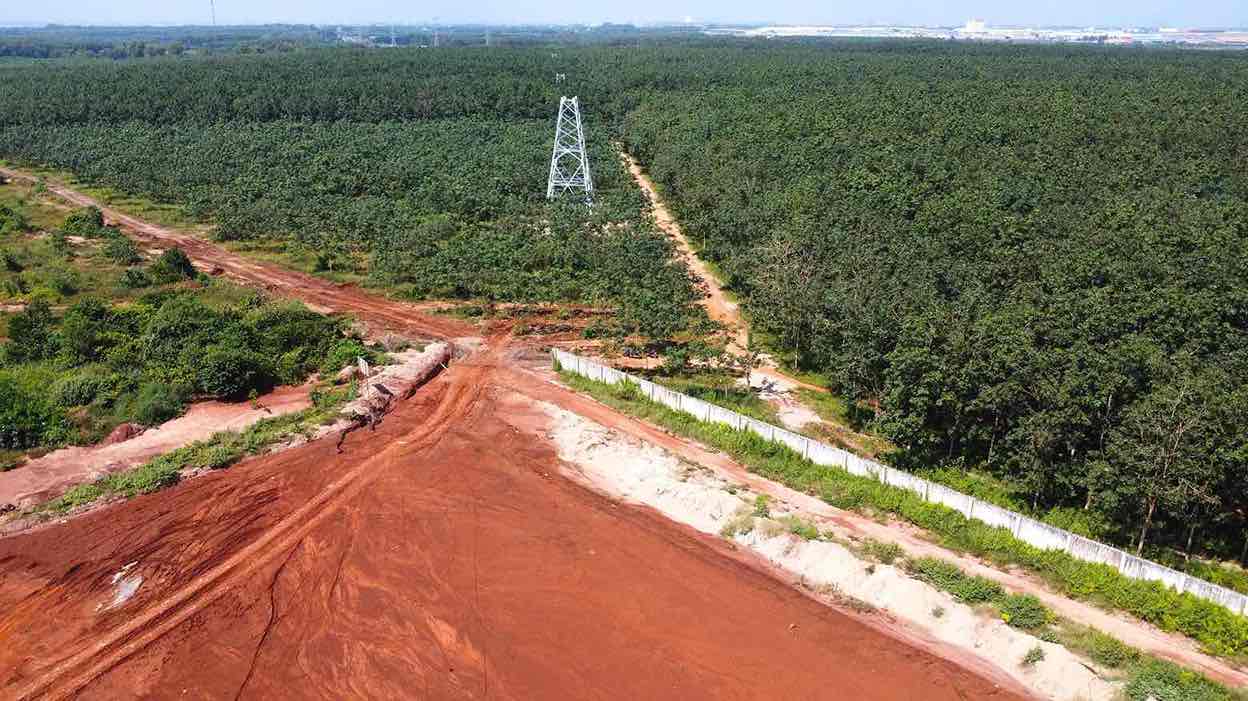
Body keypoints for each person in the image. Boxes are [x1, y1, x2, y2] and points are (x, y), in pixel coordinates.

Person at [336, 381, 396, 453]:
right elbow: (373, 416)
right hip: (363, 414)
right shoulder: (371, 408)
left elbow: (374, 415)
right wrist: (372, 426)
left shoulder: (373, 405)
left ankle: (338, 444)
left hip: (363, 413)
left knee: (348, 429)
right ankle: (338, 445)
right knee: (348, 429)